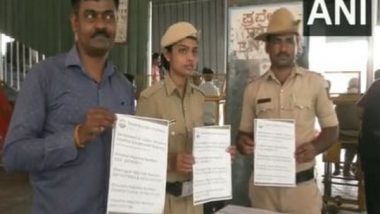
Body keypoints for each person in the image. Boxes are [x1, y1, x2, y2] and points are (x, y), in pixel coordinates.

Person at [2, 0, 135, 213]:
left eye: (109, 16)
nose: (101, 25)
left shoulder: (124, 88)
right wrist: (75, 137)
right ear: (75, 22)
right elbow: (13, 155)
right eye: (91, 16)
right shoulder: (44, 77)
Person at [236, 8, 338, 214]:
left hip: (302, 192)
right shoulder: (253, 89)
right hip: (263, 193)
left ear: (297, 46)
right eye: (277, 41)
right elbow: (243, 134)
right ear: (267, 47)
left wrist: (315, 148)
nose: (283, 48)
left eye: (289, 41)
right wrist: (242, 144)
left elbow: (332, 130)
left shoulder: (315, 83)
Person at [135, 22, 235, 214]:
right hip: (163, 203)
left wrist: (220, 154)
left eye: (194, 52)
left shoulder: (199, 97)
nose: (190, 58)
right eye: (183, 51)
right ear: (167, 55)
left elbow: (204, 143)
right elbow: (139, 158)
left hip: (195, 201)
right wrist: (172, 162)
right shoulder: (150, 99)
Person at [356, 79, 380, 214]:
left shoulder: (377, 85)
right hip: (373, 149)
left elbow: (359, 111)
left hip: (373, 149)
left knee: (374, 195)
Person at [333, 78, 360, 177]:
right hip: (355, 134)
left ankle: (336, 169)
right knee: (354, 146)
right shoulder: (361, 98)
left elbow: (334, 116)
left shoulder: (341, 98)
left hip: (339, 133)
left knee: (334, 145)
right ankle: (347, 168)